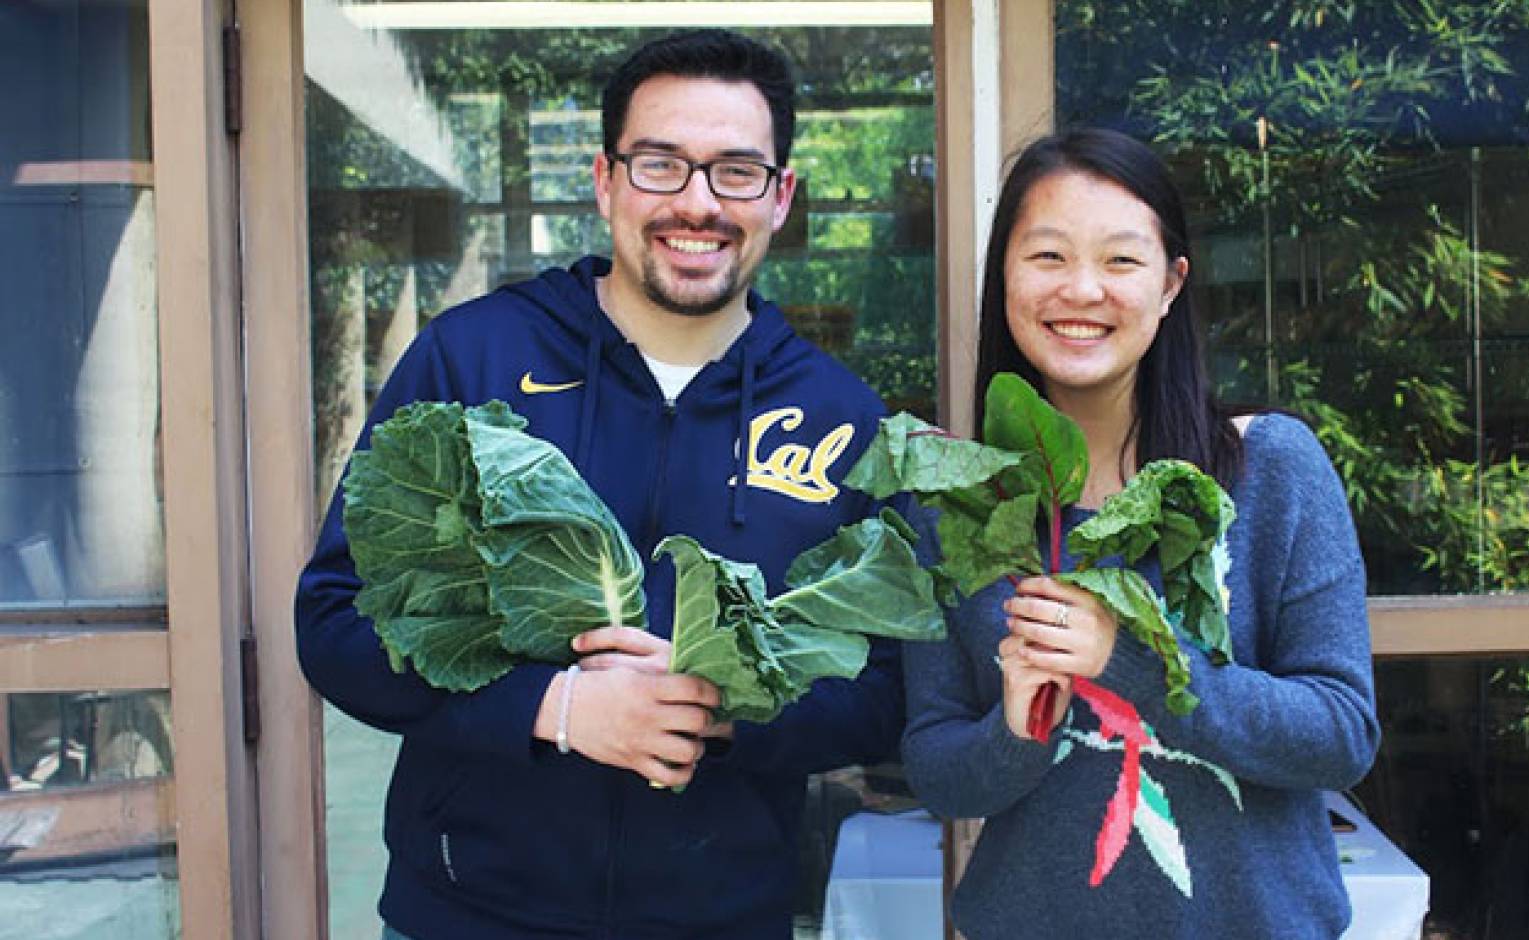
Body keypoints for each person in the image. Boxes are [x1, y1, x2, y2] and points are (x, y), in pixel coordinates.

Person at [295, 30, 905, 940]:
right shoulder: (472, 361)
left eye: (736, 171)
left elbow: (884, 687)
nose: (697, 202)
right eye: (661, 163)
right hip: (467, 915)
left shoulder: (842, 421)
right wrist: (558, 708)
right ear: (605, 179)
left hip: (722, 919)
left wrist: (725, 712)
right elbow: (337, 623)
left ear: (780, 196)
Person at [901, 127, 1381, 938]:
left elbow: (1340, 735)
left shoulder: (1271, 468)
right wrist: (1015, 729)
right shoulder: (954, 504)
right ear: (1004, 279)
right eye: (1047, 256)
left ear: (1170, 285)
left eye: (1121, 260)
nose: (1082, 290)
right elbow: (938, 775)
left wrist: (1131, 660)